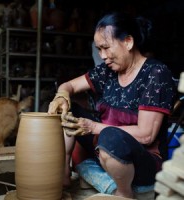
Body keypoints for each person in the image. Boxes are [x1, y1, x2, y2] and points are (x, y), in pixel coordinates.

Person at [48, 12, 176, 198]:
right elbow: (69, 85)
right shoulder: (108, 70)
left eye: (106, 48)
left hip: (142, 160)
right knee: (68, 112)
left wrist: (93, 127)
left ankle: (124, 193)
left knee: (110, 137)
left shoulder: (156, 73)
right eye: (99, 49)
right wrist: (61, 95)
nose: (103, 56)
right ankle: (64, 173)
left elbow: (146, 135)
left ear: (128, 42)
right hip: (105, 145)